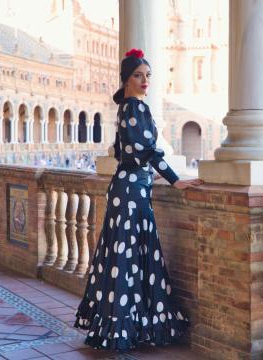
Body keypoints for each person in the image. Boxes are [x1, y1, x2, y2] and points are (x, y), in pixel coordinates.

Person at [74, 48, 202, 351]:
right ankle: (125, 329)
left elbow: (126, 157)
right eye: (138, 76)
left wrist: (150, 176)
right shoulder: (136, 109)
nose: (145, 81)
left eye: (148, 76)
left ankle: (122, 327)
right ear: (126, 80)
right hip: (131, 195)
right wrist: (175, 179)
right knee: (129, 256)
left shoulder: (127, 109)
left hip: (129, 189)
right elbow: (146, 152)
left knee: (124, 256)